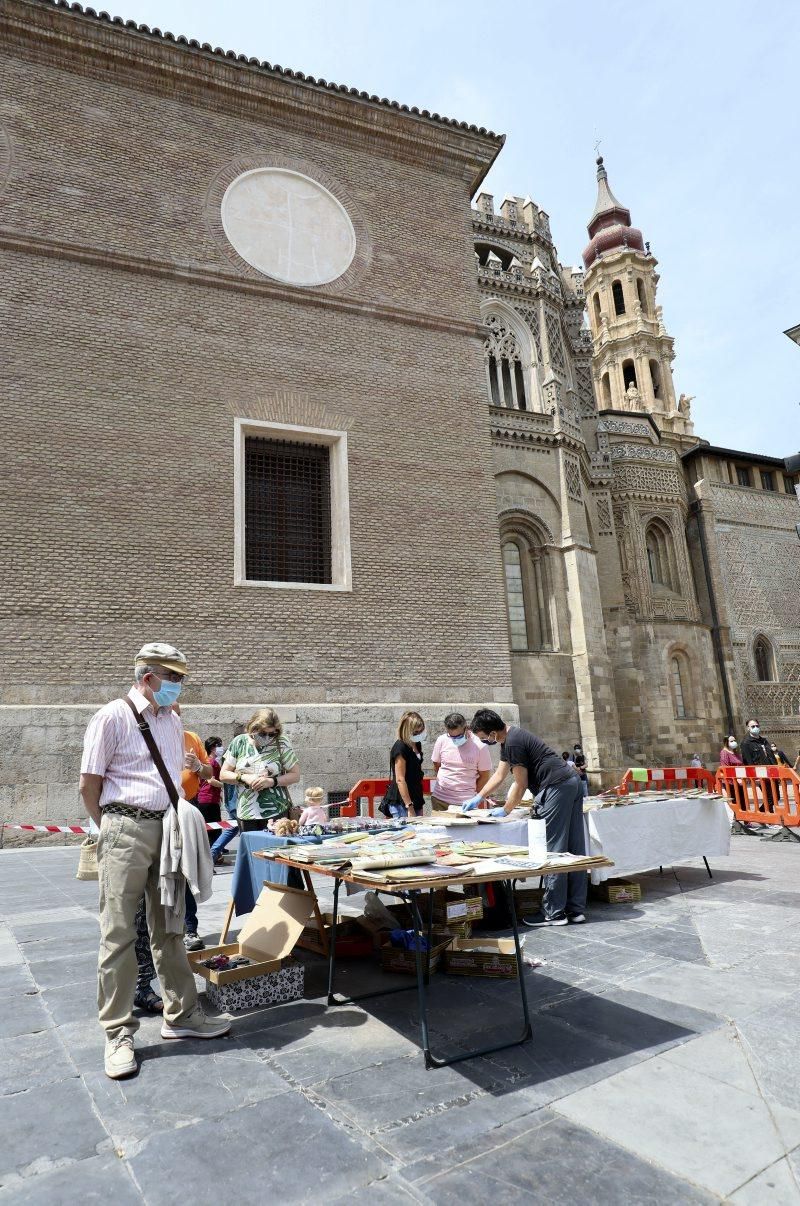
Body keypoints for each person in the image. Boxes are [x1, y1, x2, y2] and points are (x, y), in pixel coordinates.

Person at [79, 641, 231, 1081]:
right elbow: (89, 784)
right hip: (125, 827)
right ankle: (118, 1033)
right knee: (119, 931)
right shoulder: (111, 717)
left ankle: (182, 1015)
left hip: (167, 829)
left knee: (170, 925)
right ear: (148, 677)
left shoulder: (173, 719)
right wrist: (110, 827)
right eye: (174, 678)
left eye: (181, 678)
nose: (179, 686)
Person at [465, 709, 586, 927]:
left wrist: (506, 810)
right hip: (571, 783)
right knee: (574, 848)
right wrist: (479, 796)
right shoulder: (511, 738)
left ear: (492, 733)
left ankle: (554, 913)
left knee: (554, 849)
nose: (483, 741)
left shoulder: (513, 743)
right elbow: (500, 775)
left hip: (556, 787)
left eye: (483, 737)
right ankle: (575, 909)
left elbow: (520, 784)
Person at [177, 709, 217, 953]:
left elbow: (209, 773)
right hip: (157, 807)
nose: (173, 716)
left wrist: (198, 766)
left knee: (187, 867)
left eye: (177, 714)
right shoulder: (144, 735)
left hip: (187, 804)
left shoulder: (191, 737)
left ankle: (189, 927)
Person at [219, 709, 300, 830]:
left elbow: (295, 775)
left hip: (277, 811)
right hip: (246, 812)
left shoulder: (281, 742)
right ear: (253, 729)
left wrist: (272, 782)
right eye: (263, 734)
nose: (267, 737)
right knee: (252, 849)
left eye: (272, 734)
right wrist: (245, 778)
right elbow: (223, 775)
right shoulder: (239, 742)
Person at [430, 712, 492, 812]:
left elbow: (484, 776)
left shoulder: (480, 746)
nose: (455, 739)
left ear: (466, 728)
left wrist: (471, 793)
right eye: (451, 736)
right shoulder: (442, 740)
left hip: (465, 803)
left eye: (458, 736)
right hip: (440, 799)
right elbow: (437, 765)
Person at [210, 725, 244, 866]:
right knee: (241, 829)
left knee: (233, 828)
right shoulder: (237, 756)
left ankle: (213, 852)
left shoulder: (228, 757)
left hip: (233, 800)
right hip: (237, 800)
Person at [387, 711, 427, 818]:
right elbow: (400, 779)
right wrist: (409, 806)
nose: (419, 735)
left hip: (416, 798)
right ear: (407, 731)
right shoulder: (400, 747)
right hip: (402, 803)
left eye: (421, 731)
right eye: (415, 733)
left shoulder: (416, 744)